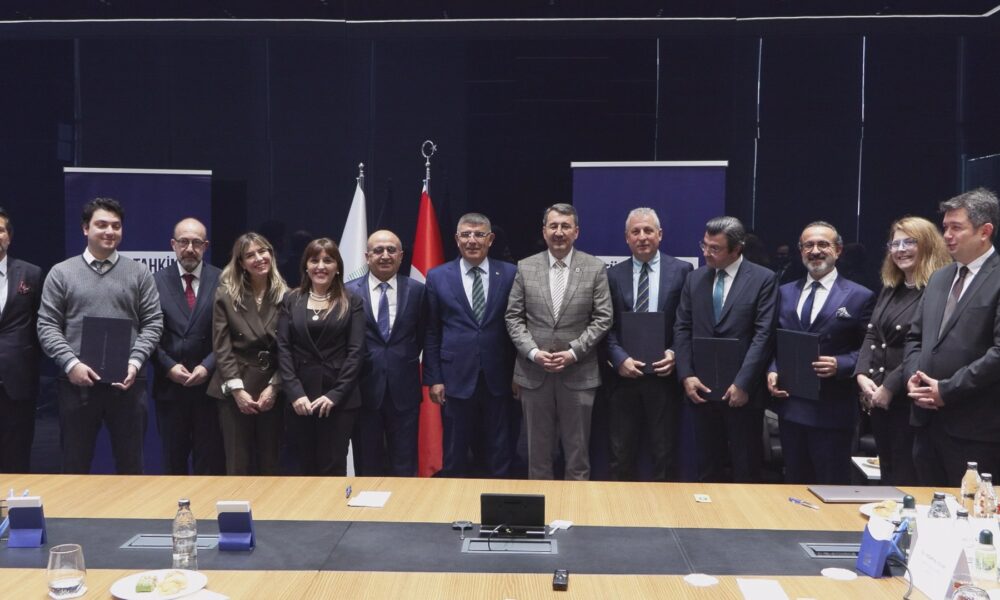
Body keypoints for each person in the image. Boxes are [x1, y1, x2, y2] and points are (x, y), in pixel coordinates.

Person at [37, 197, 163, 474]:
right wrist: (71, 364)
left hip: (128, 384)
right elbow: (47, 325)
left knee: (131, 467)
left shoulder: (140, 273)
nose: (109, 231)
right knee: (74, 465)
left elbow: (153, 323)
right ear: (85, 229)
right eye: (102, 225)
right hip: (76, 385)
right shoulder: (61, 273)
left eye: (116, 226)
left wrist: (135, 362)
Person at [505, 203, 612, 480]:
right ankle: (541, 507)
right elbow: (513, 317)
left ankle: (575, 506)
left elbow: (603, 318)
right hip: (534, 374)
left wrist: (573, 353)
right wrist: (532, 352)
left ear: (576, 232)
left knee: (577, 456)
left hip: (578, 373)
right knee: (537, 457)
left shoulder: (595, 267)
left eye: (565, 226)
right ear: (544, 231)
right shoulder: (526, 267)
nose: (559, 232)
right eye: (553, 226)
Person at [904, 189, 1000, 486]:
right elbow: (915, 337)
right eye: (945, 227)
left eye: (956, 227)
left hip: (975, 429)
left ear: (985, 231)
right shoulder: (939, 277)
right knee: (925, 505)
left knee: (969, 511)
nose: (946, 235)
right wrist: (913, 379)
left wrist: (947, 390)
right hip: (925, 425)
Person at [767, 221, 875, 484]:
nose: (815, 251)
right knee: (793, 486)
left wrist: (841, 363)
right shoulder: (783, 292)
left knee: (832, 486)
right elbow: (771, 341)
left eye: (823, 244)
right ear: (801, 251)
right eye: (808, 245)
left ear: (838, 250)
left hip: (833, 409)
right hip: (791, 407)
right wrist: (772, 370)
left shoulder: (860, 296)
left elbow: (869, 349)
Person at [674, 216, 778, 483]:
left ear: (737, 249)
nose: (706, 253)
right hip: (701, 390)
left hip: (743, 393)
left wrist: (743, 384)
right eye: (704, 245)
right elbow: (682, 328)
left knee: (746, 468)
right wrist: (686, 375)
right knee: (707, 469)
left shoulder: (763, 279)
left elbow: (763, 335)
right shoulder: (694, 278)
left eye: (715, 248)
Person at [854, 217, 950, 486]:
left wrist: (890, 387)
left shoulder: (938, 290)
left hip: (908, 398)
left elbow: (921, 345)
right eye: (895, 244)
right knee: (887, 473)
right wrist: (861, 375)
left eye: (909, 242)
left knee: (906, 478)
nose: (900, 250)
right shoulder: (891, 287)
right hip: (878, 397)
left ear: (928, 245)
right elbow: (872, 333)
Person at [424, 213, 517, 477]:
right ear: (456, 239)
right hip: (454, 378)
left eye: (479, 234)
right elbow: (431, 332)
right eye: (466, 234)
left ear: (491, 239)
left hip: (499, 378)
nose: (472, 240)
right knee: (455, 454)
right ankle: (456, 501)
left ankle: (499, 502)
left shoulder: (510, 274)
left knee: (499, 452)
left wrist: (519, 375)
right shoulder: (438, 276)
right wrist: (434, 379)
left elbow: (518, 327)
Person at [602, 207, 691, 481]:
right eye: (636, 231)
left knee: (664, 454)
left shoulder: (682, 271)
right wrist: (619, 359)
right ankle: (620, 508)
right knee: (620, 455)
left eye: (648, 230)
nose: (642, 237)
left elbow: (686, 322)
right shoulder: (612, 275)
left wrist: (675, 354)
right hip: (623, 379)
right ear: (627, 238)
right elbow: (605, 325)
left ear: (660, 234)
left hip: (664, 378)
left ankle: (663, 508)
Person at [277, 238, 365, 476]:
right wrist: (295, 393)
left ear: (338, 267)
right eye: (314, 260)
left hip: (339, 400)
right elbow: (283, 348)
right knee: (302, 467)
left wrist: (335, 395)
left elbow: (356, 352)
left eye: (328, 260)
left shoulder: (352, 301)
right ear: (305, 266)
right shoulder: (291, 299)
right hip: (300, 400)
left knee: (333, 467)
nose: (321, 266)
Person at [346, 230, 426, 476]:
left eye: (391, 250)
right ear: (367, 256)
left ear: (401, 256)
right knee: (367, 464)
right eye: (378, 250)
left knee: (405, 464)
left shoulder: (417, 290)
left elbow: (424, 336)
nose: (385, 255)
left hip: (404, 390)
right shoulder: (348, 291)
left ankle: (405, 502)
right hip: (364, 389)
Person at [207, 232, 287, 475]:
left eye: (263, 252)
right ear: (241, 263)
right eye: (250, 255)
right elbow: (222, 347)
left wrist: (275, 387)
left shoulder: (288, 296)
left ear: (271, 254)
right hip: (235, 387)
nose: (259, 258)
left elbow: (290, 348)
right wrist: (237, 391)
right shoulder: (226, 295)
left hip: (272, 388)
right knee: (237, 465)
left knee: (270, 465)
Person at [151, 218, 225, 475]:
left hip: (210, 388)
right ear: (173, 245)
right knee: (173, 464)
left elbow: (228, 333)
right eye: (183, 242)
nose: (190, 249)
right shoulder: (155, 281)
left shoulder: (223, 280)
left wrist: (208, 366)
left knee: (210, 464)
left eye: (196, 243)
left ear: (206, 246)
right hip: (170, 387)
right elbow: (146, 334)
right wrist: (168, 366)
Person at [0, 207, 43, 473]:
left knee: (16, 458)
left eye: (0, 230)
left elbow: (42, 326)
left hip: (16, 382)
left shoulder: (31, 274)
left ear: (9, 236)